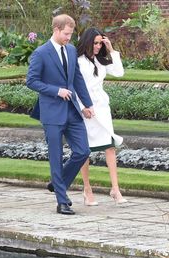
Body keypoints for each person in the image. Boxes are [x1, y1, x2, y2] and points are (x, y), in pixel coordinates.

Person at [26, 14, 95, 215]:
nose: (68, 38)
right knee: (55, 158)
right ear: (56, 30)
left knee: (83, 151)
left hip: (73, 111)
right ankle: (62, 201)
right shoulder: (41, 53)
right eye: (66, 34)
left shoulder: (71, 50)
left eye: (70, 34)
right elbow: (31, 81)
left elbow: (77, 78)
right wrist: (56, 91)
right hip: (52, 113)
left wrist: (87, 104)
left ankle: (58, 183)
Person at [75, 28, 127, 206]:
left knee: (110, 147)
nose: (97, 46)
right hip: (86, 108)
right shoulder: (79, 61)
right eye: (95, 43)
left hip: (102, 107)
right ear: (87, 42)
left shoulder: (101, 60)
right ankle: (87, 189)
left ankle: (115, 189)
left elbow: (119, 72)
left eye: (100, 43)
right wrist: (83, 107)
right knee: (85, 151)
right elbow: (75, 86)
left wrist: (110, 49)